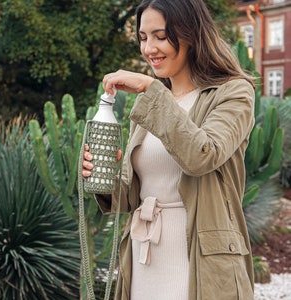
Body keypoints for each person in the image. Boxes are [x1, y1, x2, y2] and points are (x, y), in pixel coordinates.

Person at [82, 0, 255, 299]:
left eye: (161, 37)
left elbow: (203, 155)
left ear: (191, 34)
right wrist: (103, 178)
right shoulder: (154, 103)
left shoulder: (233, 93)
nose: (150, 48)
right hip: (143, 257)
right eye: (143, 38)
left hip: (198, 262)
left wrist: (152, 90)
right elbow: (136, 195)